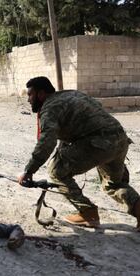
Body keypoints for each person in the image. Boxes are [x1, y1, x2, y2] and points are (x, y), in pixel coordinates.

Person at [18, 76, 140, 230]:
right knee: (114, 184)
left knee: (56, 171)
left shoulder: (50, 107)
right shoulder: (70, 94)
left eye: (30, 95)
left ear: (41, 94)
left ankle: (88, 213)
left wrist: (29, 171)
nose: (28, 99)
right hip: (119, 140)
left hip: (99, 143)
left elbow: (47, 142)